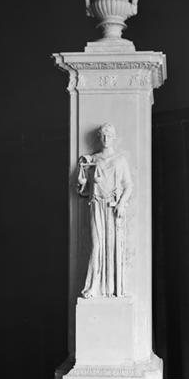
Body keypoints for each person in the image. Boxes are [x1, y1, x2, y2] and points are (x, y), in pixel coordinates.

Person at [77, 123, 133, 298]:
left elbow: (128, 186)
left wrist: (121, 204)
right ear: (99, 138)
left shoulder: (120, 160)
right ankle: (93, 286)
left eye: (109, 135)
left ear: (113, 137)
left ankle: (112, 288)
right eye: (103, 135)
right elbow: (83, 187)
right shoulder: (93, 159)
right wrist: (82, 175)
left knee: (113, 246)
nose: (106, 138)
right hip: (96, 205)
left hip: (113, 206)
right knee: (97, 245)